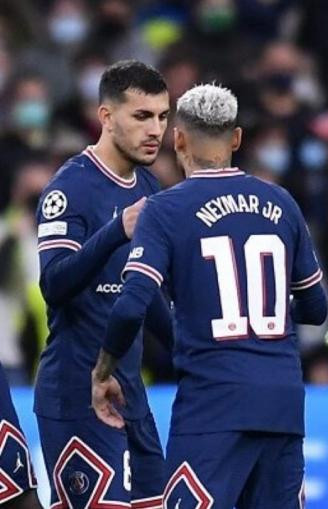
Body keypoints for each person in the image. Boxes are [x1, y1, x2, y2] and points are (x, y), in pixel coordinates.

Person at [90, 83, 327, 508]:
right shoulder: (282, 202)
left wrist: (104, 370)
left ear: (177, 138)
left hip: (212, 406)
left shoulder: (165, 209)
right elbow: (316, 307)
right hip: (283, 404)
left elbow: (130, 307)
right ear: (236, 138)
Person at [34, 60, 171, 509]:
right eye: (142, 116)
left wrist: (193, 350)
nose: (156, 130)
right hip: (77, 392)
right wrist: (116, 230)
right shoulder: (69, 189)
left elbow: (144, 292)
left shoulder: (148, 184)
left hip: (130, 390)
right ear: (106, 117)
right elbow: (53, 285)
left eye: (162, 116)